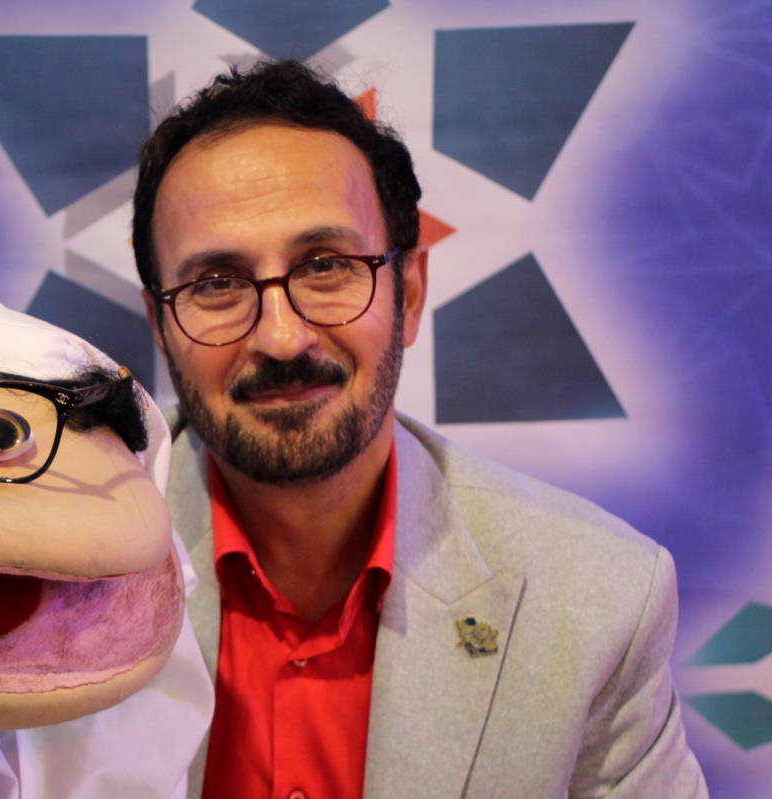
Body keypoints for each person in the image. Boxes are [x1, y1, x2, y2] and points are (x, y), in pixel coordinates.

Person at [133, 60, 707, 798]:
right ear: (160, 325)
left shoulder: (599, 600)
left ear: (407, 293)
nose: (280, 337)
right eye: (217, 284)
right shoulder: (48, 571)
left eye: (326, 266)